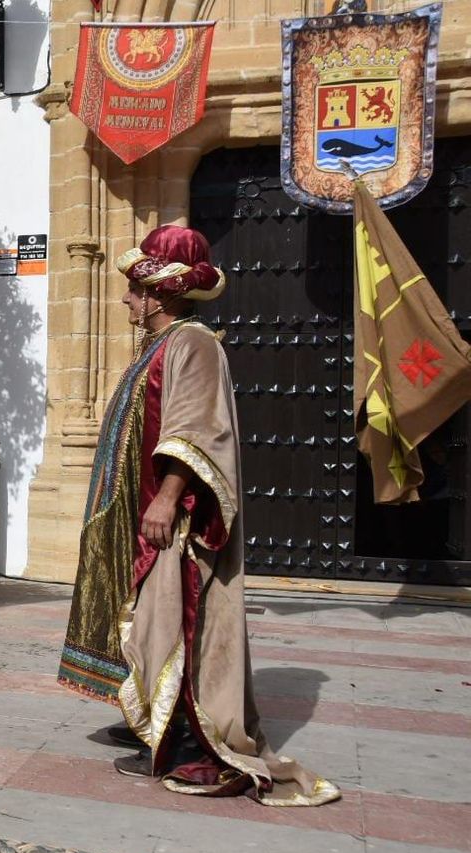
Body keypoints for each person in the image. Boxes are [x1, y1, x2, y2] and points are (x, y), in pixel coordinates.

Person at [60, 225, 338, 806]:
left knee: (178, 619)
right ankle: (153, 718)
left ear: (159, 293)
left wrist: (166, 496)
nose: (126, 299)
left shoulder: (193, 344)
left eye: (134, 289)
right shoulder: (160, 346)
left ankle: (185, 738)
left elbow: (195, 428)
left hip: (177, 521)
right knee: (148, 619)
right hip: (144, 515)